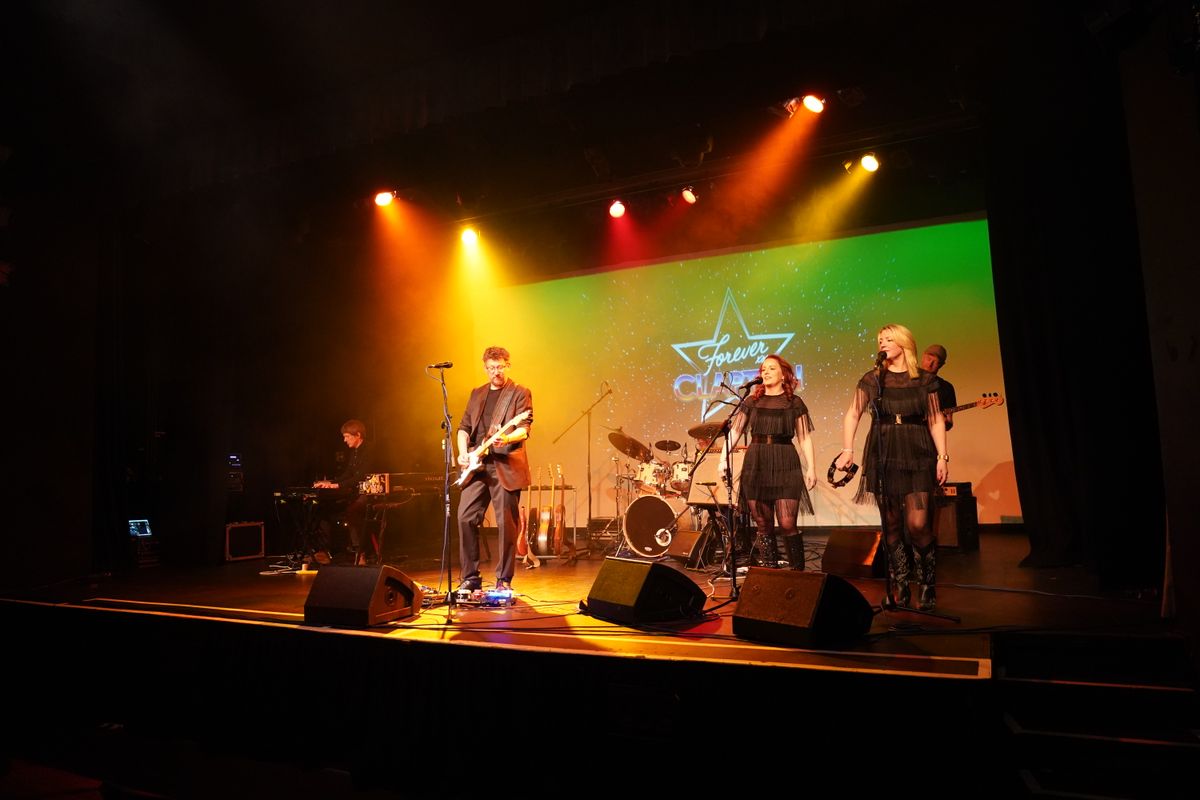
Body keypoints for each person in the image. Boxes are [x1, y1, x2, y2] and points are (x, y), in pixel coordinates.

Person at [835, 325, 948, 609]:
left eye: (888, 339)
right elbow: (853, 414)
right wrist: (847, 449)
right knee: (892, 523)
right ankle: (900, 582)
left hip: (917, 451)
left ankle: (926, 582)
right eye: (879, 340)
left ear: (904, 343)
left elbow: (935, 419)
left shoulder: (924, 380)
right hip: (883, 451)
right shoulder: (873, 379)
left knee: (918, 523)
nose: (882, 343)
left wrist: (942, 457)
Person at [720, 354, 816, 570]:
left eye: (771, 368)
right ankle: (770, 574)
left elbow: (804, 438)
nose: (766, 372)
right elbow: (734, 433)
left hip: (785, 462)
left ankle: (798, 575)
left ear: (784, 374)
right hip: (757, 463)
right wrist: (722, 460)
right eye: (763, 369)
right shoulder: (751, 401)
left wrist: (812, 467)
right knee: (763, 525)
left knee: (787, 523)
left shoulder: (794, 402)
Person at [456, 346, 533, 594]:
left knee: (506, 525)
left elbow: (524, 427)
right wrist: (462, 453)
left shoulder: (519, 393)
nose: (495, 373)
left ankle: (504, 580)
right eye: (491, 368)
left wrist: (507, 439)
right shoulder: (477, 393)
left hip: (505, 465)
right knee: (465, 517)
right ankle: (470, 577)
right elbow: (464, 428)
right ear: (485, 368)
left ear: (508, 365)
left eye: (500, 367)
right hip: (477, 465)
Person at [313, 419, 374, 565]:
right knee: (323, 508)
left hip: (370, 493)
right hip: (355, 492)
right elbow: (348, 474)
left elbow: (361, 477)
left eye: (347, 436)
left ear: (358, 435)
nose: (344, 440)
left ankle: (361, 553)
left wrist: (337, 486)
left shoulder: (370, 451)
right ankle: (324, 551)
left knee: (352, 511)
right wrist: (330, 483)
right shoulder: (354, 453)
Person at [921, 344, 957, 431]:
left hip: (929, 437)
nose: (930, 364)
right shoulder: (907, 380)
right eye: (928, 359)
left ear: (941, 365)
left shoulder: (946, 387)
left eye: (935, 361)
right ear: (923, 357)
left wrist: (943, 421)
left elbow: (949, 422)